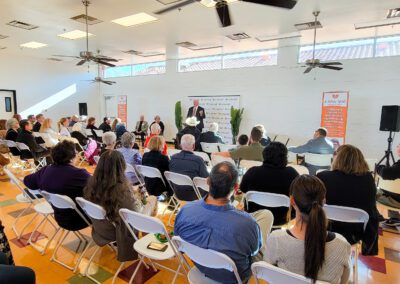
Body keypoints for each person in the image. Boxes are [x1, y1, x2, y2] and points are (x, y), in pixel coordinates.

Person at [175, 162, 271, 283]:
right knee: (266, 217)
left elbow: (180, 247)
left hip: (201, 266)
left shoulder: (185, 211)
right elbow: (254, 251)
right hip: (235, 277)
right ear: (236, 188)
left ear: (208, 181)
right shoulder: (248, 224)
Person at [264, 175, 351, 284]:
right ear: (323, 201)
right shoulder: (342, 245)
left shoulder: (276, 239)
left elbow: (268, 276)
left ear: (292, 201)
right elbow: (343, 282)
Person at [84, 151, 157, 262]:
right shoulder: (120, 191)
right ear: (122, 166)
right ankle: (148, 237)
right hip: (117, 231)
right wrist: (140, 200)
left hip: (101, 227)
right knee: (152, 199)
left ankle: (147, 235)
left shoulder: (91, 183)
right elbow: (134, 213)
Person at [317, 144, 379, 255]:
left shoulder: (323, 177)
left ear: (338, 159)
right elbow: (371, 209)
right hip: (354, 235)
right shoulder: (368, 180)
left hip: (325, 231)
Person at [24, 140, 91, 231]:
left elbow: (27, 181)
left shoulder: (46, 170)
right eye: (76, 152)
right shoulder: (79, 174)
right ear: (71, 157)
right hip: (80, 219)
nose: (77, 154)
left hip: (60, 218)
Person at [240, 142, 299, 225]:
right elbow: (299, 196)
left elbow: (243, 189)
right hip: (282, 219)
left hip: (254, 217)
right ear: (284, 157)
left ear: (264, 155)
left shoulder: (252, 172)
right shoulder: (292, 174)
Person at [170, 134, 209, 201]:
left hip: (177, 193)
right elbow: (206, 178)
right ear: (193, 146)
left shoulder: (173, 158)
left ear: (180, 145)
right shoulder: (198, 160)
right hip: (194, 195)